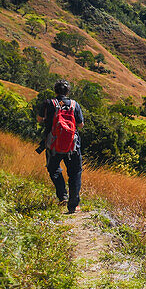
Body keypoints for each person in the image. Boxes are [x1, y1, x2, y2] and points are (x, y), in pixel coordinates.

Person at [37, 80, 84, 213]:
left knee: (53, 169)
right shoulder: (75, 105)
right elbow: (80, 125)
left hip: (53, 145)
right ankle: (73, 205)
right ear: (68, 92)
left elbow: (40, 119)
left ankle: (63, 196)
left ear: (55, 90)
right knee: (75, 173)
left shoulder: (48, 103)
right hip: (72, 146)